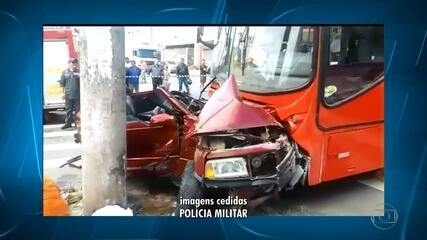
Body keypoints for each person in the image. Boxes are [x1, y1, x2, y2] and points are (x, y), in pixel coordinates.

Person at [59, 58, 80, 129]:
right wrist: (63, 94)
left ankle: (78, 124)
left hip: (77, 94)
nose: (73, 64)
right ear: (69, 64)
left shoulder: (79, 72)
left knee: (78, 110)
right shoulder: (64, 72)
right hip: (68, 94)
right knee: (69, 109)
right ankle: (68, 123)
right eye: (72, 63)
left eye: (74, 63)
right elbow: (62, 84)